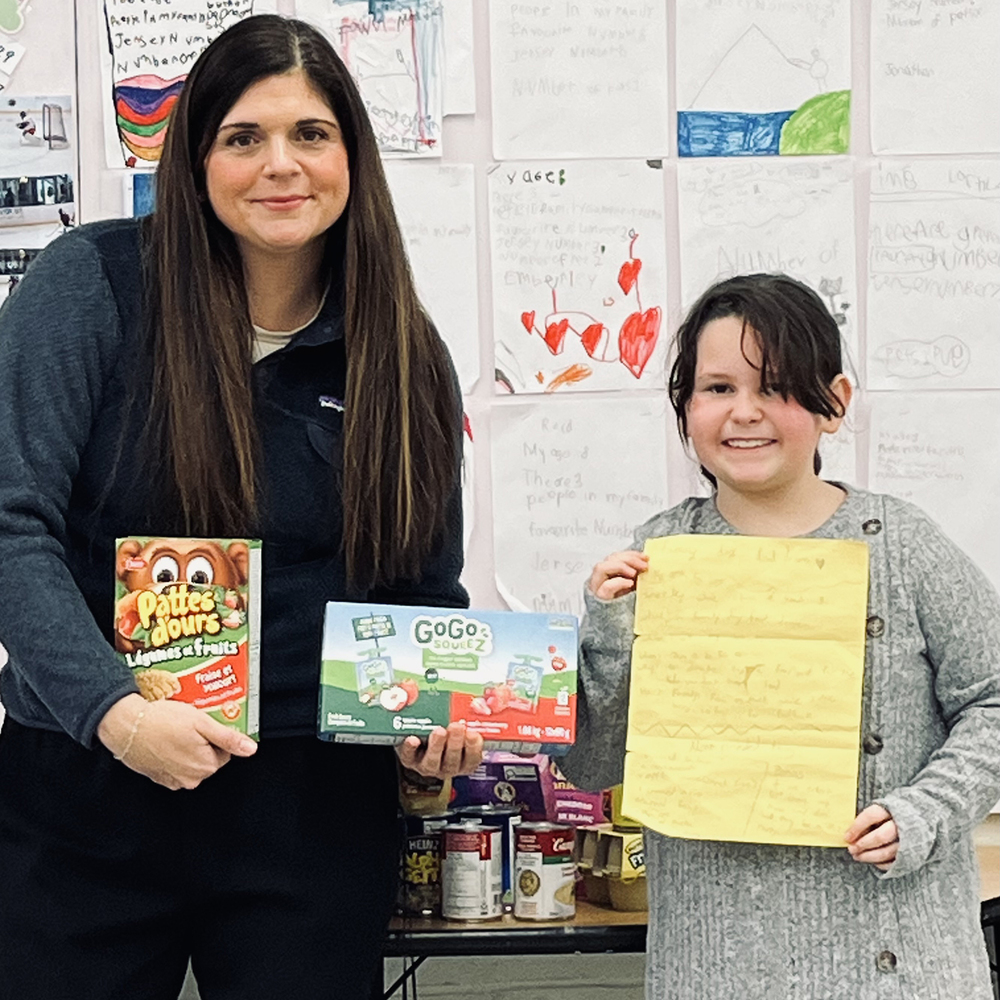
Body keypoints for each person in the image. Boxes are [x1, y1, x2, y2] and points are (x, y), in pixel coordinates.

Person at [0, 15, 481, 1000]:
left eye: (310, 134)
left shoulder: (402, 352)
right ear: (196, 155)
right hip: (83, 786)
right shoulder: (89, 286)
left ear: (352, 156)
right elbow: (11, 523)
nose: (280, 165)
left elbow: (422, 594)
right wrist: (117, 714)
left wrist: (433, 733)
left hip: (310, 806)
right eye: (242, 137)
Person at [561, 273, 1000, 1000]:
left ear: (835, 404)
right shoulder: (660, 553)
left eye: (776, 387)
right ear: (685, 409)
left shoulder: (901, 545)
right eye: (718, 388)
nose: (746, 413)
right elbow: (592, 764)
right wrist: (609, 626)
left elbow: (993, 699)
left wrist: (924, 810)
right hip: (715, 963)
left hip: (898, 960)